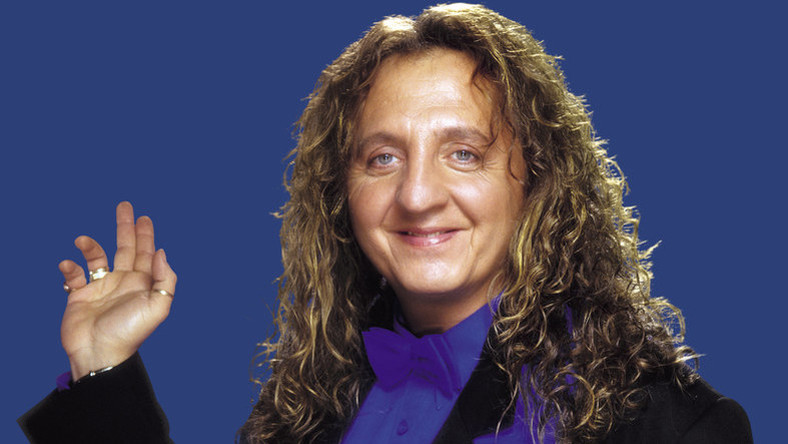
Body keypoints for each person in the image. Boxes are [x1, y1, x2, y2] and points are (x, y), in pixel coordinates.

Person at [19, 3, 752, 443]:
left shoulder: (670, 426)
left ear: (536, 179)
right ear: (341, 193)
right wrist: (102, 364)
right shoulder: (303, 409)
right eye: (382, 158)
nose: (417, 195)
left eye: (463, 153)